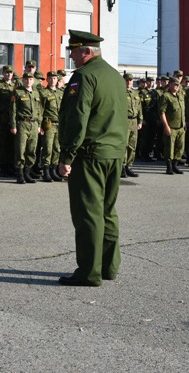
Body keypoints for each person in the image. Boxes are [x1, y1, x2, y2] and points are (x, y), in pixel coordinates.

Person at [57, 30, 127, 287]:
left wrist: (67, 155)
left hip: (90, 155)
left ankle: (89, 272)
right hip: (114, 153)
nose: (71, 57)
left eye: (73, 51)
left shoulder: (84, 77)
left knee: (88, 214)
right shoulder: (114, 76)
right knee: (107, 211)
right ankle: (108, 266)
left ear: (86, 51)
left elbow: (78, 119)